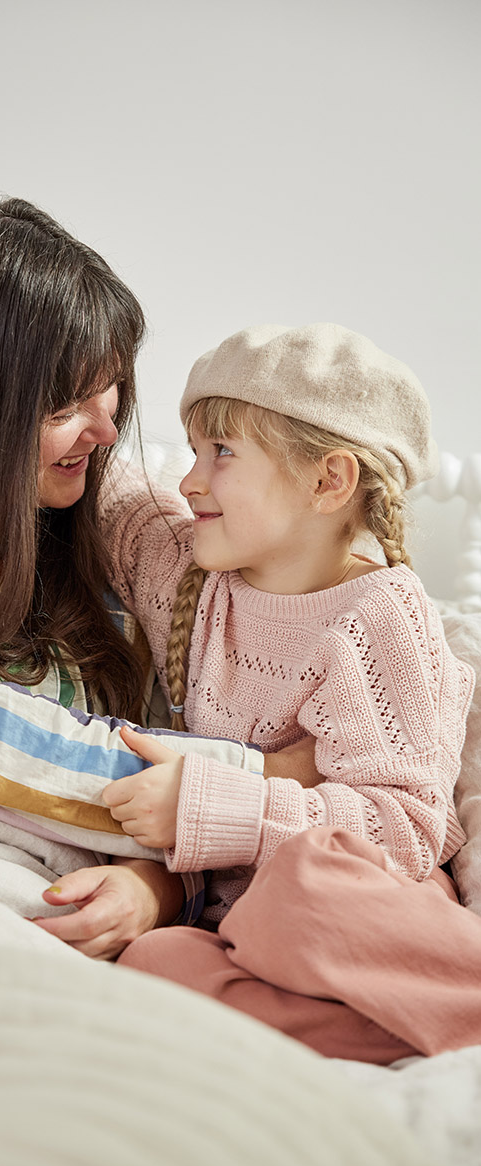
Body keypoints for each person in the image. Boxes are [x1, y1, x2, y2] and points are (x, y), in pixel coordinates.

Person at [0, 201, 314, 962]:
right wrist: (273, 779)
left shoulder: (85, 544)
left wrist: (160, 886)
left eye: (109, 391)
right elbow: (7, 747)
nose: (107, 429)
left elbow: (141, 734)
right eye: (67, 404)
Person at [94, 323, 480, 1061]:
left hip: (357, 917)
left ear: (328, 481)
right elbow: (112, 490)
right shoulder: (186, 574)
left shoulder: (379, 617)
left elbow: (405, 831)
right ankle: (396, 1032)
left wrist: (216, 807)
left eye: (222, 452)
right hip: (241, 939)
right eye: (195, 449)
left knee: (297, 891)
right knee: (152, 961)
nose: (189, 479)